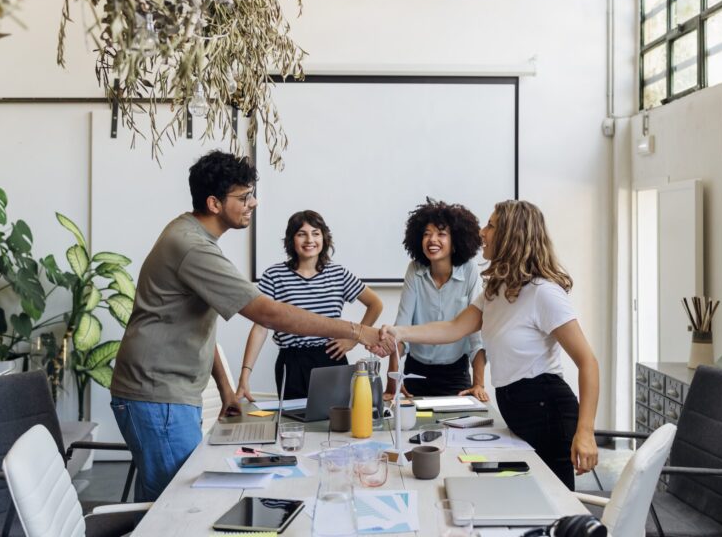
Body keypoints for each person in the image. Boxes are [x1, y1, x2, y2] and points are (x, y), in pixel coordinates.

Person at [109, 151, 391, 502]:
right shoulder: (193, 247)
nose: (253, 203)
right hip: (157, 394)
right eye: (243, 197)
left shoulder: (193, 237)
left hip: (165, 393)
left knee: (163, 502)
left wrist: (226, 388)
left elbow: (195, 326)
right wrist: (357, 331)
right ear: (214, 203)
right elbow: (268, 314)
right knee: (177, 508)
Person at [381, 200, 599, 489]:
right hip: (517, 406)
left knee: (555, 504)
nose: (482, 232)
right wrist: (398, 333)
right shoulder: (496, 291)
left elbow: (588, 363)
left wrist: (585, 431)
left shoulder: (544, 293)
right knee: (525, 495)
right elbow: (453, 328)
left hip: (546, 409)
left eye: (491, 225)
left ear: (511, 234)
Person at [235, 210, 383, 400]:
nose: (309, 240)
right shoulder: (274, 275)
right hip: (292, 361)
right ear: (291, 239)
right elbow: (260, 327)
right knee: (295, 422)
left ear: (324, 237)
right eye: (301, 234)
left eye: (315, 233)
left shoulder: (338, 273)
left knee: (337, 421)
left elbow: (375, 304)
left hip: (330, 358)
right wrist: (245, 375)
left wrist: (353, 339)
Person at [383, 199, 488, 401]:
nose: (432, 240)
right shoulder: (415, 269)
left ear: (456, 240)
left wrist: (478, 384)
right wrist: (392, 384)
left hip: (455, 372)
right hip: (416, 370)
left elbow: (476, 335)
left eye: (441, 234)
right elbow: (401, 329)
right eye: (426, 234)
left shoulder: (470, 270)